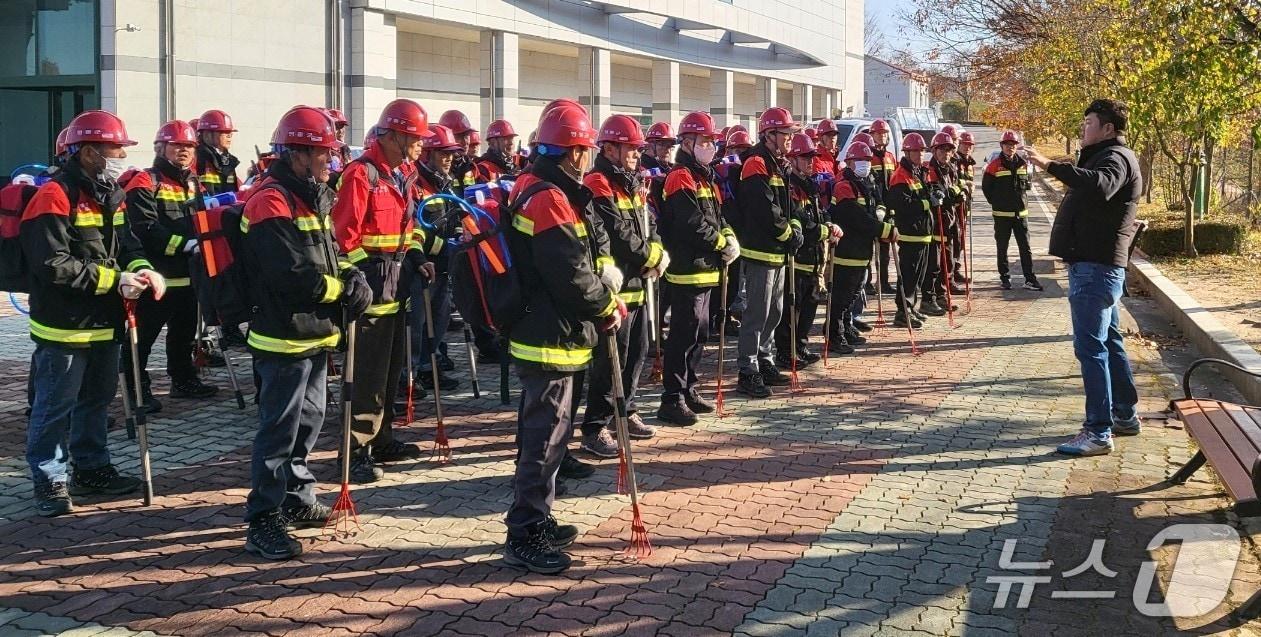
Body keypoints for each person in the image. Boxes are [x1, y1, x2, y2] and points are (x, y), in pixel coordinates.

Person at [240, 106, 371, 559]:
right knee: (278, 429)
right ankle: (263, 517)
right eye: (322, 155)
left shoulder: (313, 195)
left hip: (314, 334)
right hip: (283, 336)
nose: (330, 163)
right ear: (296, 154)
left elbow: (334, 251)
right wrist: (340, 291)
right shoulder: (270, 200)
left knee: (310, 419)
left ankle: (296, 498)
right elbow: (292, 275)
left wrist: (356, 279)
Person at [21, 110, 164, 517]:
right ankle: (50, 478)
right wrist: (112, 281)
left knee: (97, 401)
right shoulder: (54, 196)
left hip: (106, 322)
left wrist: (142, 270)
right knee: (54, 406)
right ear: (87, 152)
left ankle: (92, 467)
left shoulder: (111, 193)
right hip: (64, 326)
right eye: (114, 148)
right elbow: (52, 264)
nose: (121, 155)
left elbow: (128, 245)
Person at [504, 102, 622, 574]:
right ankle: (525, 532)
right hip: (547, 338)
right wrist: (606, 305)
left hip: (554, 333)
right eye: (585, 149)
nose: (589, 157)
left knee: (549, 439)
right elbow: (570, 274)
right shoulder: (548, 198)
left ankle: (539, 517)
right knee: (543, 441)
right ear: (573, 153)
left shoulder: (545, 189)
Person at [1024, 98, 1142, 456]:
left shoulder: (1116, 158)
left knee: (1091, 349)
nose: (1083, 128)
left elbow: (1100, 185)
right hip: (1094, 267)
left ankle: (1097, 431)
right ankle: (1124, 414)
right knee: (1109, 341)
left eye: (1088, 122)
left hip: (1096, 269)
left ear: (1108, 129)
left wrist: (1049, 165)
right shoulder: (1103, 155)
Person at [331, 99, 436, 483]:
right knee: (365, 375)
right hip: (372, 285)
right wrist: (364, 275)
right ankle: (355, 449)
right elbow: (344, 237)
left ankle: (383, 437)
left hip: (399, 282)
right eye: (414, 137)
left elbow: (411, 227)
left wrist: (416, 256)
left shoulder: (404, 173)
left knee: (390, 370)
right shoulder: (360, 175)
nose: (421, 144)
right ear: (392, 135)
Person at [578, 114, 665, 456]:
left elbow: (649, 226)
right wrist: (649, 257)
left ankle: (624, 411)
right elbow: (619, 235)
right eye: (630, 148)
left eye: (637, 149)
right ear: (610, 148)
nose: (635, 154)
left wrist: (656, 253)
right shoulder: (599, 182)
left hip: (639, 285)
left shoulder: (633, 182)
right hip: (616, 290)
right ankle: (594, 426)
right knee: (608, 361)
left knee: (636, 354)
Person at [122, 119, 220, 412]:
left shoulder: (193, 182)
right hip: (156, 279)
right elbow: (145, 228)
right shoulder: (145, 181)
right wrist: (186, 244)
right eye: (177, 145)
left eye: (189, 146)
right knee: (141, 342)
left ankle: (183, 380)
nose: (184, 151)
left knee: (183, 336)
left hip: (189, 276)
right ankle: (137, 390)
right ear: (160, 147)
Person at [656, 111, 734, 425]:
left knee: (700, 334)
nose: (709, 146)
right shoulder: (680, 177)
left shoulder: (706, 177)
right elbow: (691, 223)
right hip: (688, 269)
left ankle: (689, 388)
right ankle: (672, 397)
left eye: (711, 141)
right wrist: (719, 243)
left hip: (706, 269)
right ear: (687, 142)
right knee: (683, 335)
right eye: (704, 141)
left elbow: (717, 217)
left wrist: (728, 236)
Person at [735, 107, 802, 399]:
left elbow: (789, 206)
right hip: (761, 250)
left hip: (778, 251)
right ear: (769, 134)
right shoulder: (756, 162)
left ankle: (766, 360)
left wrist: (796, 227)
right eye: (785, 134)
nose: (790, 139)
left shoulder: (779, 163)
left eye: (790, 134)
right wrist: (788, 233)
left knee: (774, 312)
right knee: (757, 314)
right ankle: (747, 371)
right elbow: (764, 209)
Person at [410, 125, 466, 391]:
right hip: (423, 268)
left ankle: (431, 367)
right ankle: (416, 373)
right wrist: (445, 246)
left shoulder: (445, 183)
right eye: (443, 153)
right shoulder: (416, 185)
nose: (449, 158)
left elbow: (455, 216)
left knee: (439, 322)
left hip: (445, 265)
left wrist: (459, 236)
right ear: (428, 154)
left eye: (451, 153)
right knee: (419, 326)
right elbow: (415, 230)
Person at [773, 132, 834, 369]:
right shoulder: (791, 187)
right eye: (805, 157)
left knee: (809, 307)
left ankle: (801, 346)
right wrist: (822, 231)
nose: (811, 161)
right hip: (797, 260)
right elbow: (799, 218)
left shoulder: (811, 185)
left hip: (813, 259)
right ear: (794, 159)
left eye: (812, 157)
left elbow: (820, 213)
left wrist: (829, 224)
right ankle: (786, 352)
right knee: (791, 312)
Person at [829, 142, 896, 354]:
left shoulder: (866, 182)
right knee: (841, 296)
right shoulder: (843, 185)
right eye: (860, 161)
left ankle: (846, 327)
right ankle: (834, 334)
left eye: (867, 161)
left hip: (862, 250)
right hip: (847, 250)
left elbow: (878, 202)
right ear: (848, 162)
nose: (865, 165)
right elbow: (856, 218)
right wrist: (884, 230)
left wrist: (882, 214)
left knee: (854, 293)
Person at [195, 109, 247, 347]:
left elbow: (235, 190)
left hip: (225, 223)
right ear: (207, 134)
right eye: (223, 132)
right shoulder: (199, 161)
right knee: (214, 282)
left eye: (229, 132)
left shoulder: (227, 161)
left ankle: (231, 325)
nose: (228, 136)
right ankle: (211, 334)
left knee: (231, 276)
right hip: (208, 226)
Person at [982, 131, 1042, 291]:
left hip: (1021, 215)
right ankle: (1005, 278)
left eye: (1013, 145)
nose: (1010, 147)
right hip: (1002, 215)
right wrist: (997, 202)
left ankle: (1030, 279)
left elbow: (1026, 186)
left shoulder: (1023, 163)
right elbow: (986, 188)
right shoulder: (994, 165)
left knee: (1026, 248)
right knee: (1002, 248)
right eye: (1007, 145)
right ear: (1002, 146)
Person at [887, 133, 933, 329]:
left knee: (918, 277)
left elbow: (928, 191)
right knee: (908, 275)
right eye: (916, 151)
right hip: (910, 234)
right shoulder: (900, 176)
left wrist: (935, 192)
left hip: (923, 233)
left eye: (922, 151)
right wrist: (926, 202)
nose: (920, 154)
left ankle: (912, 309)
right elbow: (902, 204)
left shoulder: (919, 172)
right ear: (907, 152)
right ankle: (902, 312)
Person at [708, 128, 752, 335]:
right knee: (722, 280)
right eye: (737, 149)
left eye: (745, 149)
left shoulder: (746, 170)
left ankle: (724, 318)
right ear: (728, 148)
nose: (740, 153)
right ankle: (715, 319)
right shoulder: (719, 170)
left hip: (741, 232)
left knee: (734, 281)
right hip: (722, 230)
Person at [921, 132, 961, 316]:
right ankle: (929, 299)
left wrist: (960, 191)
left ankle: (942, 295)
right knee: (934, 265)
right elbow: (939, 192)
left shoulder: (950, 168)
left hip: (949, 220)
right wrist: (951, 192)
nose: (946, 153)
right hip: (936, 222)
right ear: (934, 150)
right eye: (943, 150)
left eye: (949, 150)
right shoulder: (930, 170)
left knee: (948, 262)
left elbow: (954, 188)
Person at [868, 119, 899, 295]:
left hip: (887, 208)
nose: (882, 136)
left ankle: (884, 281)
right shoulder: (868, 157)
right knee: (868, 248)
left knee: (885, 249)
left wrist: (892, 210)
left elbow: (893, 185)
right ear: (872, 136)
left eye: (885, 133)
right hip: (872, 208)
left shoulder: (890, 157)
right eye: (879, 133)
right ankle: (867, 283)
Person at [953, 130, 977, 288]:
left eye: (970, 145)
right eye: (964, 144)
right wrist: (966, 185)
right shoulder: (955, 161)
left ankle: (955, 270)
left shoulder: (970, 164)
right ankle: (952, 271)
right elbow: (954, 182)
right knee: (955, 240)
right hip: (954, 205)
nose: (967, 148)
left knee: (960, 241)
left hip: (965, 205)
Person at [438, 110, 479, 188]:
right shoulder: (438, 168)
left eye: (467, 136)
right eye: (459, 136)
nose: (465, 142)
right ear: (447, 137)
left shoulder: (470, 166)